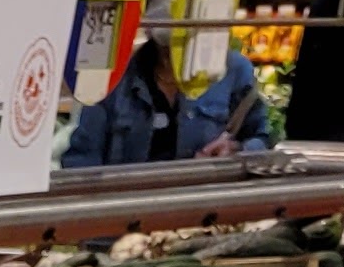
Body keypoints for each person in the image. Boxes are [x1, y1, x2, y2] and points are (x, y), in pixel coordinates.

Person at [59, 23, 273, 163]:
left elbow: (264, 139)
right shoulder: (116, 78)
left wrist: (235, 150)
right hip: (128, 210)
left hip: (204, 211)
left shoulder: (233, 71)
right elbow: (82, 160)